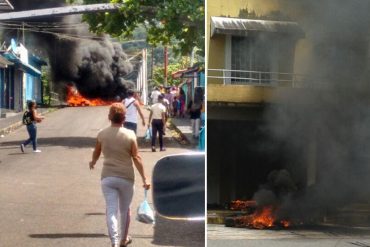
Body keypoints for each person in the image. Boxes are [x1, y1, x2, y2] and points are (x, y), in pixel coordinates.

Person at [89, 103, 150, 247]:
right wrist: (144, 177)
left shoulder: (102, 134)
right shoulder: (130, 135)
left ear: (109, 117)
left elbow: (97, 151)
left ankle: (115, 242)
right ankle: (124, 239)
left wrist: (93, 161)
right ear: (124, 118)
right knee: (125, 210)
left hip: (107, 178)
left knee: (111, 210)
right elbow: (136, 157)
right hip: (126, 178)